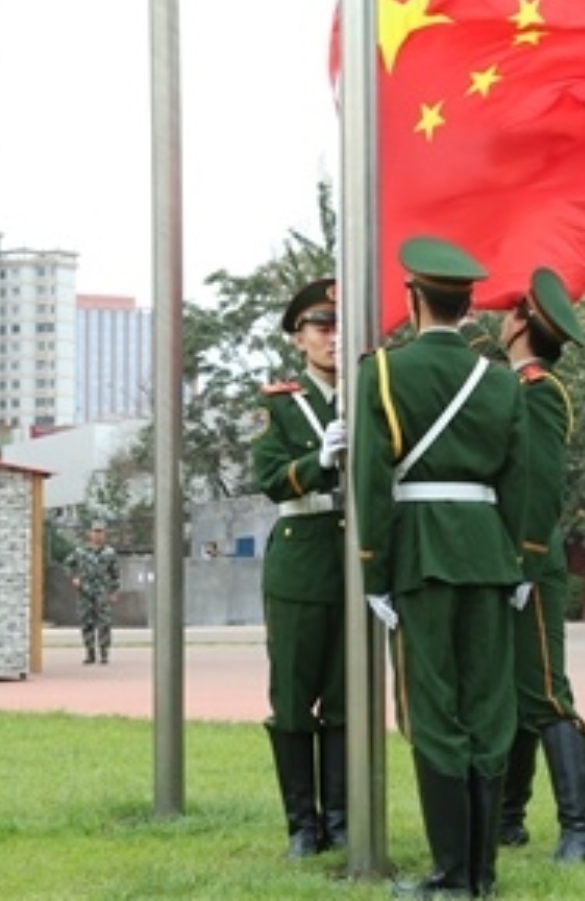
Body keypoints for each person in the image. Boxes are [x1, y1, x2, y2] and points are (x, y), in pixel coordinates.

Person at [352, 236, 528, 898]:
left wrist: (374, 570)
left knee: (432, 710)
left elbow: (372, 479)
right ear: (469, 304)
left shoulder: (383, 371)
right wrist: (517, 562)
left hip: (420, 554)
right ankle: (483, 873)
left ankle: (453, 875)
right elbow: (521, 478)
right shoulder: (501, 380)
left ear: (414, 299)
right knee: (489, 708)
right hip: (487, 551)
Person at [471, 268, 585, 865]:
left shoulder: (538, 390)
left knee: (546, 691)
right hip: (503, 558)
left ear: (522, 324)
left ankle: (581, 832)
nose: (501, 321)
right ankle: (509, 818)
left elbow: (540, 484)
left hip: (527, 560)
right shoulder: (513, 385)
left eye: (510, 313)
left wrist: (524, 563)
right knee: (513, 692)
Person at [250, 277, 348, 859]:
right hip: (302, 558)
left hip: (354, 561)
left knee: (344, 698)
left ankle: (340, 820)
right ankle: (302, 826)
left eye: (341, 326)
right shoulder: (280, 403)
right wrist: (319, 461)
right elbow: (269, 476)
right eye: (322, 326)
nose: (333, 337)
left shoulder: (368, 396)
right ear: (298, 338)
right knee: (292, 698)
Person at [64, 522, 120, 665]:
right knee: (86, 622)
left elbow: (115, 573)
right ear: (90, 534)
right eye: (95, 532)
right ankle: (90, 653)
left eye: (100, 532)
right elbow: (68, 564)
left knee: (104, 623)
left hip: (102, 592)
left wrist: (114, 591)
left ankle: (104, 653)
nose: (98, 535)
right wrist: (74, 577)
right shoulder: (80, 551)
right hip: (85, 592)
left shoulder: (110, 553)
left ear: (104, 535)